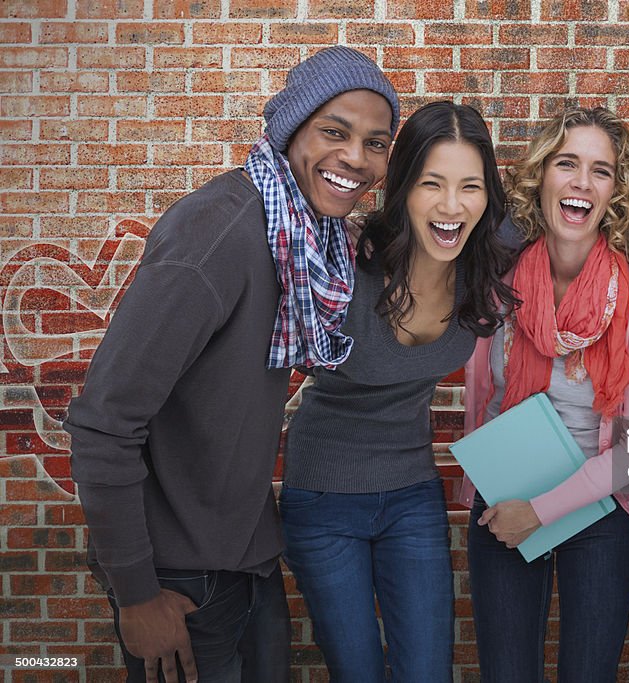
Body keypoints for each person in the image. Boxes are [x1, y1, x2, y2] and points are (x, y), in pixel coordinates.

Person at [65, 46, 401, 682]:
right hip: (175, 578)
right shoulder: (219, 236)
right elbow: (104, 423)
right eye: (334, 132)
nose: (356, 158)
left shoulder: (306, 237)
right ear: (289, 130)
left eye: (376, 142)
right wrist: (136, 593)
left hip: (244, 559)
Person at [279, 101, 517, 683]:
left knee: (428, 670)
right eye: (431, 183)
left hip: (411, 494)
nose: (450, 205)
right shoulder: (345, 258)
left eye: (470, 186)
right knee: (357, 670)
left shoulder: (485, 258)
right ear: (403, 186)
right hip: (323, 496)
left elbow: (582, 225)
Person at [456, 106, 629, 683]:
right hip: (506, 493)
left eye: (600, 171)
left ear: (615, 192)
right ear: (542, 177)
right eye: (566, 163)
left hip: (601, 504)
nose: (581, 181)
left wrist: (542, 511)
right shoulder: (495, 284)